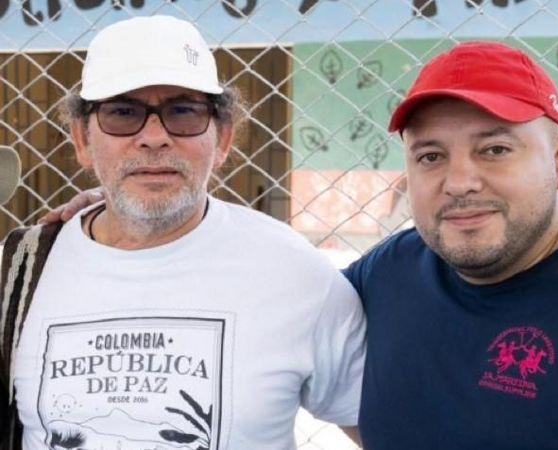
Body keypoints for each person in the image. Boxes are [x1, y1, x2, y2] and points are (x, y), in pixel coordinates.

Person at [41, 41, 558, 449]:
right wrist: (109, 221)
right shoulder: (389, 277)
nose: (459, 181)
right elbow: (222, 283)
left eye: (494, 150)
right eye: (431, 156)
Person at [0, 16, 364, 450]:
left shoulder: (294, 272)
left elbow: (383, 431)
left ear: (224, 137)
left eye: (183, 112)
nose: (154, 138)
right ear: (82, 138)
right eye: (122, 112)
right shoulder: (18, 272)